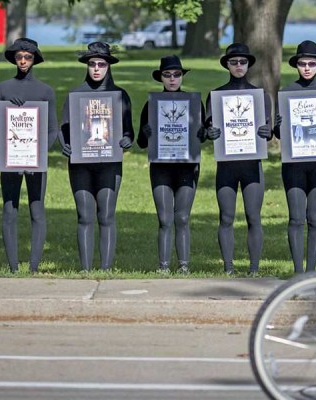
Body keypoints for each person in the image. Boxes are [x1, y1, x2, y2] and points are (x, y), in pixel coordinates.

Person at [59, 42, 134, 272]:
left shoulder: (120, 96)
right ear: (87, 66)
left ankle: (106, 269)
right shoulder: (75, 95)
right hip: (81, 164)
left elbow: (129, 130)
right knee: (84, 215)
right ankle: (85, 269)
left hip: (109, 164)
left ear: (109, 66)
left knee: (107, 215)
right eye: (93, 64)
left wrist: (126, 140)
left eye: (102, 64)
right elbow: (63, 129)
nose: (97, 69)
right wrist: (66, 146)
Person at [0, 38, 58, 273]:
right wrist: (7, 109)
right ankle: (13, 267)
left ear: (35, 59)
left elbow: (52, 130)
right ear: (14, 59)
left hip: (35, 159)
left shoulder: (45, 91)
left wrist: (38, 155)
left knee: (37, 210)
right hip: (10, 158)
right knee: (9, 210)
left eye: (28, 57)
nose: (23, 61)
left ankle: (34, 267)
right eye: (19, 57)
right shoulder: (3, 88)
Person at [203, 43, 272, 275]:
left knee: (253, 216)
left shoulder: (261, 96)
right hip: (226, 166)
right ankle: (229, 268)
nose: (239, 66)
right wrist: (209, 132)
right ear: (227, 65)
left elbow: (269, 129)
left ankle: (254, 268)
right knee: (227, 217)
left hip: (252, 166)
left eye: (243, 62)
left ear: (249, 65)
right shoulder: (216, 96)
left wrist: (267, 131)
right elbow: (206, 130)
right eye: (234, 62)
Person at [273, 40, 316, 273]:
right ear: (296, 65)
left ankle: (311, 271)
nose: (308, 68)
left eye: (312, 63)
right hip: (294, 163)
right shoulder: (287, 93)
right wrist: (277, 127)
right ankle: (298, 272)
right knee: (296, 218)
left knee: (315, 218)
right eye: (303, 63)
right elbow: (279, 132)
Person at [136, 55, 205, 274]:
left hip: (187, 166)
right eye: (167, 75)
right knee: (165, 219)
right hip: (161, 167)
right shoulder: (152, 104)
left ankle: (184, 266)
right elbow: (140, 141)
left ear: (182, 76)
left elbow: (201, 136)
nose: (172, 79)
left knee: (182, 217)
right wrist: (147, 133)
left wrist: (203, 133)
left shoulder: (194, 103)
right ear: (161, 78)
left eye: (176, 74)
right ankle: (163, 266)